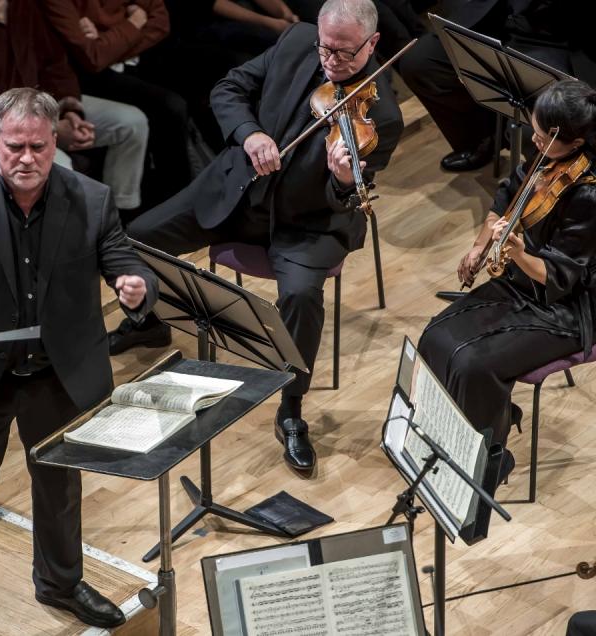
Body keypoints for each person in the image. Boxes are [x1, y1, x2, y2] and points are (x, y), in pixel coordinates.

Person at [0, 87, 158, 635]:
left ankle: (60, 582)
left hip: (55, 373)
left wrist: (135, 286)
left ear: (53, 142)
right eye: (15, 146)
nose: (27, 159)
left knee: (60, 488)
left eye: (38, 147)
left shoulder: (89, 197)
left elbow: (121, 258)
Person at [109, 0, 404, 472]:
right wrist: (249, 134)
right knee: (138, 237)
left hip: (307, 222)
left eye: (345, 54)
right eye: (326, 48)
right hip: (239, 192)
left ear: (372, 44)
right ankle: (149, 322)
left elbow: (350, 198)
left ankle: (290, 410)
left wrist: (343, 181)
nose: (331, 61)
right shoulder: (293, 43)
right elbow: (230, 89)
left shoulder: (382, 117)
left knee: (304, 298)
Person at [417, 80, 596, 483]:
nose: (533, 142)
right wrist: (480, 247)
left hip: (566, 306)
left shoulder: (588, 196)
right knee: (435, 336)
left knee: (472, 363)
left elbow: (560, 276)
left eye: (540, 137)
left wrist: (515, 251)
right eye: (532, 131)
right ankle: (458, 431)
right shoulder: (545, 156)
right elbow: (505, 200)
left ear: (576, 141)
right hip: (519, 283)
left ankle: (488, 460)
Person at [0, 0, 148, 214]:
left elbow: (55, 65)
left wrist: (70, 111)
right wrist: (48, 129)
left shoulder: (26, 6)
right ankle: (66, 240)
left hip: (41, 107)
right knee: (56, 163)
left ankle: (118, 218)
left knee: (131, 123)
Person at [399, 0, 596, 172]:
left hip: (561, 37)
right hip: (501, 17)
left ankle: (548, 191)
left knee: (539, 124)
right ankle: (484, 139)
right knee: (419, 62)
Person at [42, 0, 192, 206]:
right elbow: (90, 57)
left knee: (192, 77)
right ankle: (174, 207)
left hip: (128, 55)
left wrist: (108, 44)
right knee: (168, 106)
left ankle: (185, 205)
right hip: (85, 74)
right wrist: (134, 23)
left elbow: (160, 21)